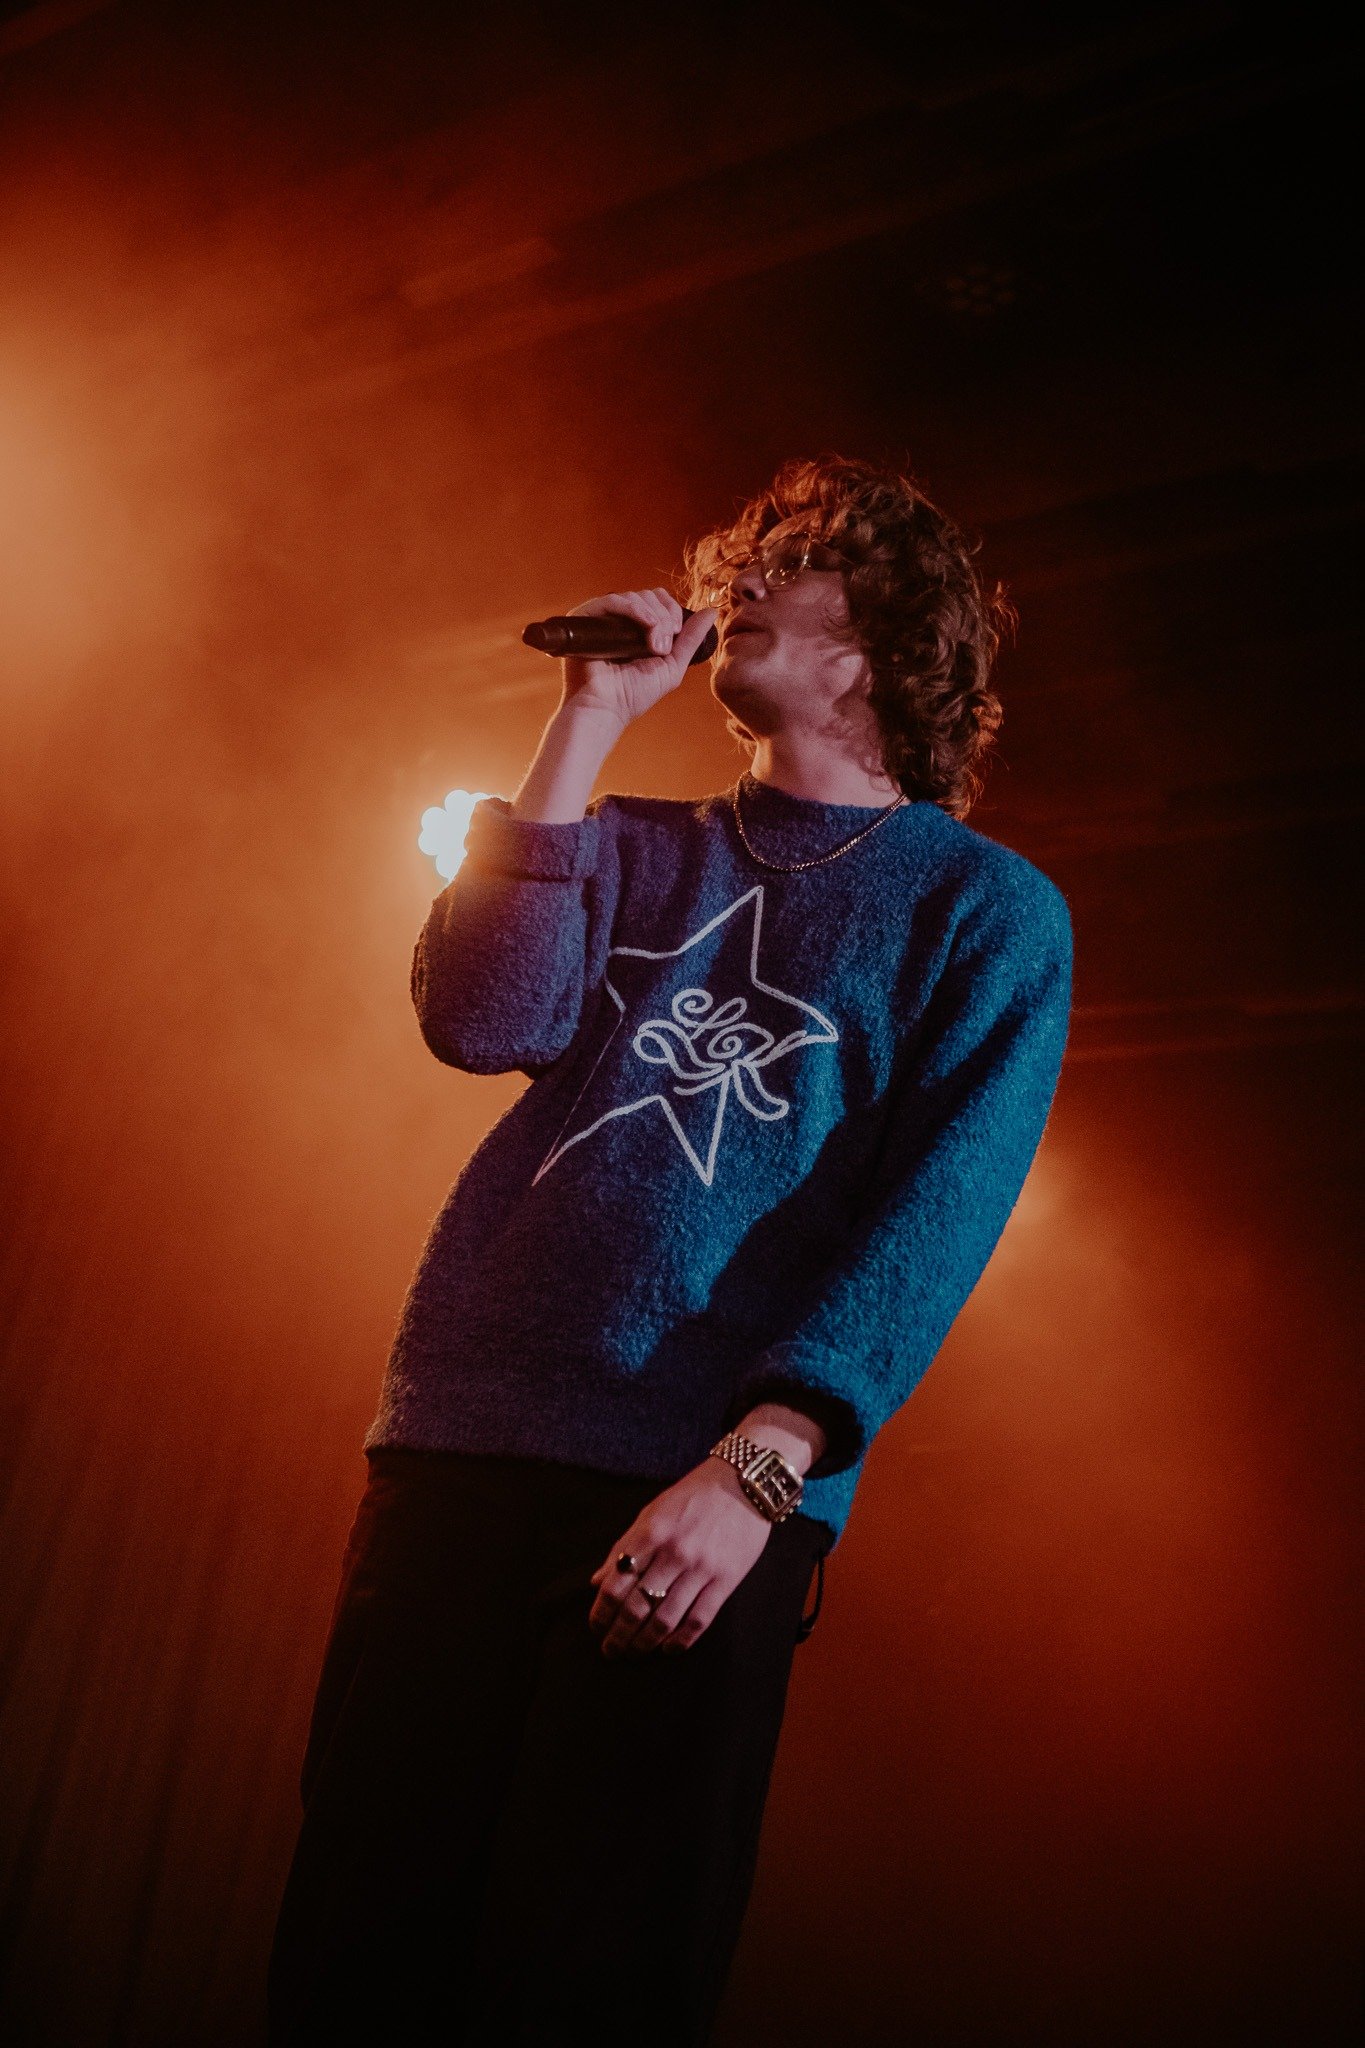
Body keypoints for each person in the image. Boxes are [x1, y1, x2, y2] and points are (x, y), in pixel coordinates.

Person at [266, 453, 1073, 2045]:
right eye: (737, 563)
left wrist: (758, 1472)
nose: (738, 583)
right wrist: (583, 725)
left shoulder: (982, 913)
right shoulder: (624, 838)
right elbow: (482, 1020)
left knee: (593, 1973)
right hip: (464, 1448)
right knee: (359, 1948)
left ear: (879, 641)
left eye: (793, 560)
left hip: (704, 1490)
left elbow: (936, 1221)